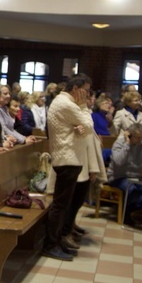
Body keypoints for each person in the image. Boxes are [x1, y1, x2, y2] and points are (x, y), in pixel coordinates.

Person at [44, 73, 94, 261]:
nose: (87, 96)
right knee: (60, 205)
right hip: (67, 159)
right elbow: (89, 125)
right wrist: (83, 107)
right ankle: (50, 245)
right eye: (86, 91)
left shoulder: (63, 103)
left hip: (69, 158)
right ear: (75, 89)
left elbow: (83, 131)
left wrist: (80, 129)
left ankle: (56, 241)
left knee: (63, 205)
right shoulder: (67, 104)